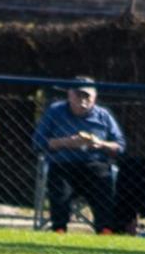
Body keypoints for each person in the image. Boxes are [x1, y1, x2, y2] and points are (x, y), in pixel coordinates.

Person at [32, 77, 125, 234]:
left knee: (104, 183)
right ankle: (59, 229)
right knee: (59, 187)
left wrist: (100, 144)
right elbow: (38, 142)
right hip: (63, 164)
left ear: (94, 97)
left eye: (87, 96)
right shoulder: (55, 112)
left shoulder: (103, 116)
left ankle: (105, 230)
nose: (83, 100)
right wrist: (66, 142)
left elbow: (120, 146)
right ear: (69, 95)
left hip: (94, 164)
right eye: (78, 95)